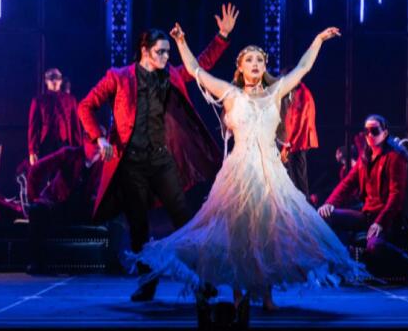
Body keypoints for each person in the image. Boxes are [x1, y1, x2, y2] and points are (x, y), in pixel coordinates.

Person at [133, 22, 365, 310]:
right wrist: (181, 41)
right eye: (249, 60)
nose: (255, 64)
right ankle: (238, 294)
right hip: (240, 173)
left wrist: (318, 39)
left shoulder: (276, 92)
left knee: (268, 234)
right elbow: (196, 71)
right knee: (239, 235)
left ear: (265, 65)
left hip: (271, 175)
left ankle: (267, 296)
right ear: (240, 67)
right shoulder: (230, 93)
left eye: (259, 60)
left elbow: (303, 68)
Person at [78, 4, 238, 302]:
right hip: (131, 164)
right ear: (145, 49)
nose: (166, 57)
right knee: (138, 226)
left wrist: (222, 36)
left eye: (167, 52)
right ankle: (147, 282)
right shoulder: (118, 77)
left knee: (184, 219)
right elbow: (84, 106)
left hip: (163, 160)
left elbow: (199, 65)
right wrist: (99, 138)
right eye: (161, 52)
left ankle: (202, 280)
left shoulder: (173, 75)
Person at [317, 115, 408, 278]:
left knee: (374, 247)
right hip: (366, 216)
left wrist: (380, 222)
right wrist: (329, 203)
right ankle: (343, 263)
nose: (369, 135)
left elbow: (396, 196)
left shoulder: (395, 157)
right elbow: (347, 184)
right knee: (325, 216)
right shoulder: (365, 157)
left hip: (388, 219)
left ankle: (406, 263)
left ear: (384, 133)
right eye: (366, 131)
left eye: (374, 131)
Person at [25, 139, 103, 274]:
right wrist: (34, 199)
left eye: (100, 142)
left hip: (82, 209)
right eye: (93, 142)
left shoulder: (104, 164)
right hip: (58, 205)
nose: (97, 146)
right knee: (37, 210)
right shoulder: (69, 154)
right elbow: (37, 169)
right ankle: (36, 263)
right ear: (85, 141)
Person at [28, 68, 82, 165]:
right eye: (51, 78)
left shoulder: (70, 100)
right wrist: (32, 151)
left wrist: (78, 148)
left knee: (65, 176)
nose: (54, 81)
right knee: (47, 176)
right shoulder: (38, 101)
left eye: (57, 78)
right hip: (46, 144)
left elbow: (75, 125)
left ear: (61, 81)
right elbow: (33, 127)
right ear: (46, 81)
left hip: (65, 143)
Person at [276, 82, 318, 197]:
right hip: (296, 141)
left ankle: (303, 209)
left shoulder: (302, 94)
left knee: (298, 181)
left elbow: (297, 124)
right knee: (296, 179)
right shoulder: (299, 92)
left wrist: (287, 146)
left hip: (298, 142)